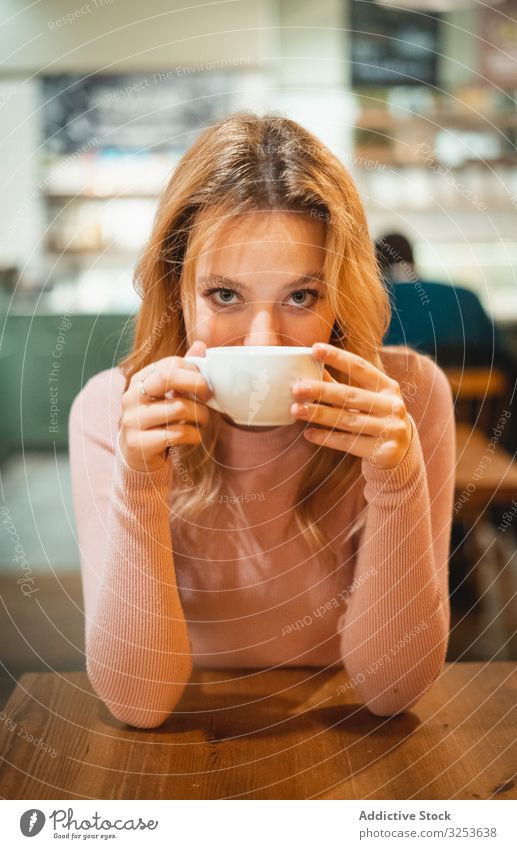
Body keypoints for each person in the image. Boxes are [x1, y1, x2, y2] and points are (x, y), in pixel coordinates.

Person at [69, 112, 455, 729]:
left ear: (338, 298)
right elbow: (138, 703)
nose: (260, 342)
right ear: (177, 291)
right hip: (189, 727)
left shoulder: (407, 398)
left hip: (339, 725)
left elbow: (391, 692)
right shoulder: (113, 409)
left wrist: (397, 480)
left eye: (300, 296)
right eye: (225, 295)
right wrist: (140, 484)